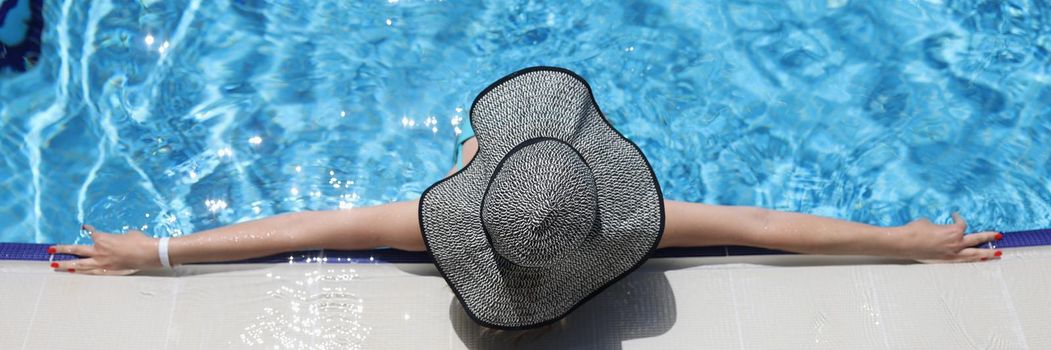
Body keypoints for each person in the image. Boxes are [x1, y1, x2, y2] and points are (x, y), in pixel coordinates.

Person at [47, 67, 1003, 329]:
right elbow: (764, 226)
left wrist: (158, 254)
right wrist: (901, 243)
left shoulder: (424, 225)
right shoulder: (634, 226)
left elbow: (296, 229)